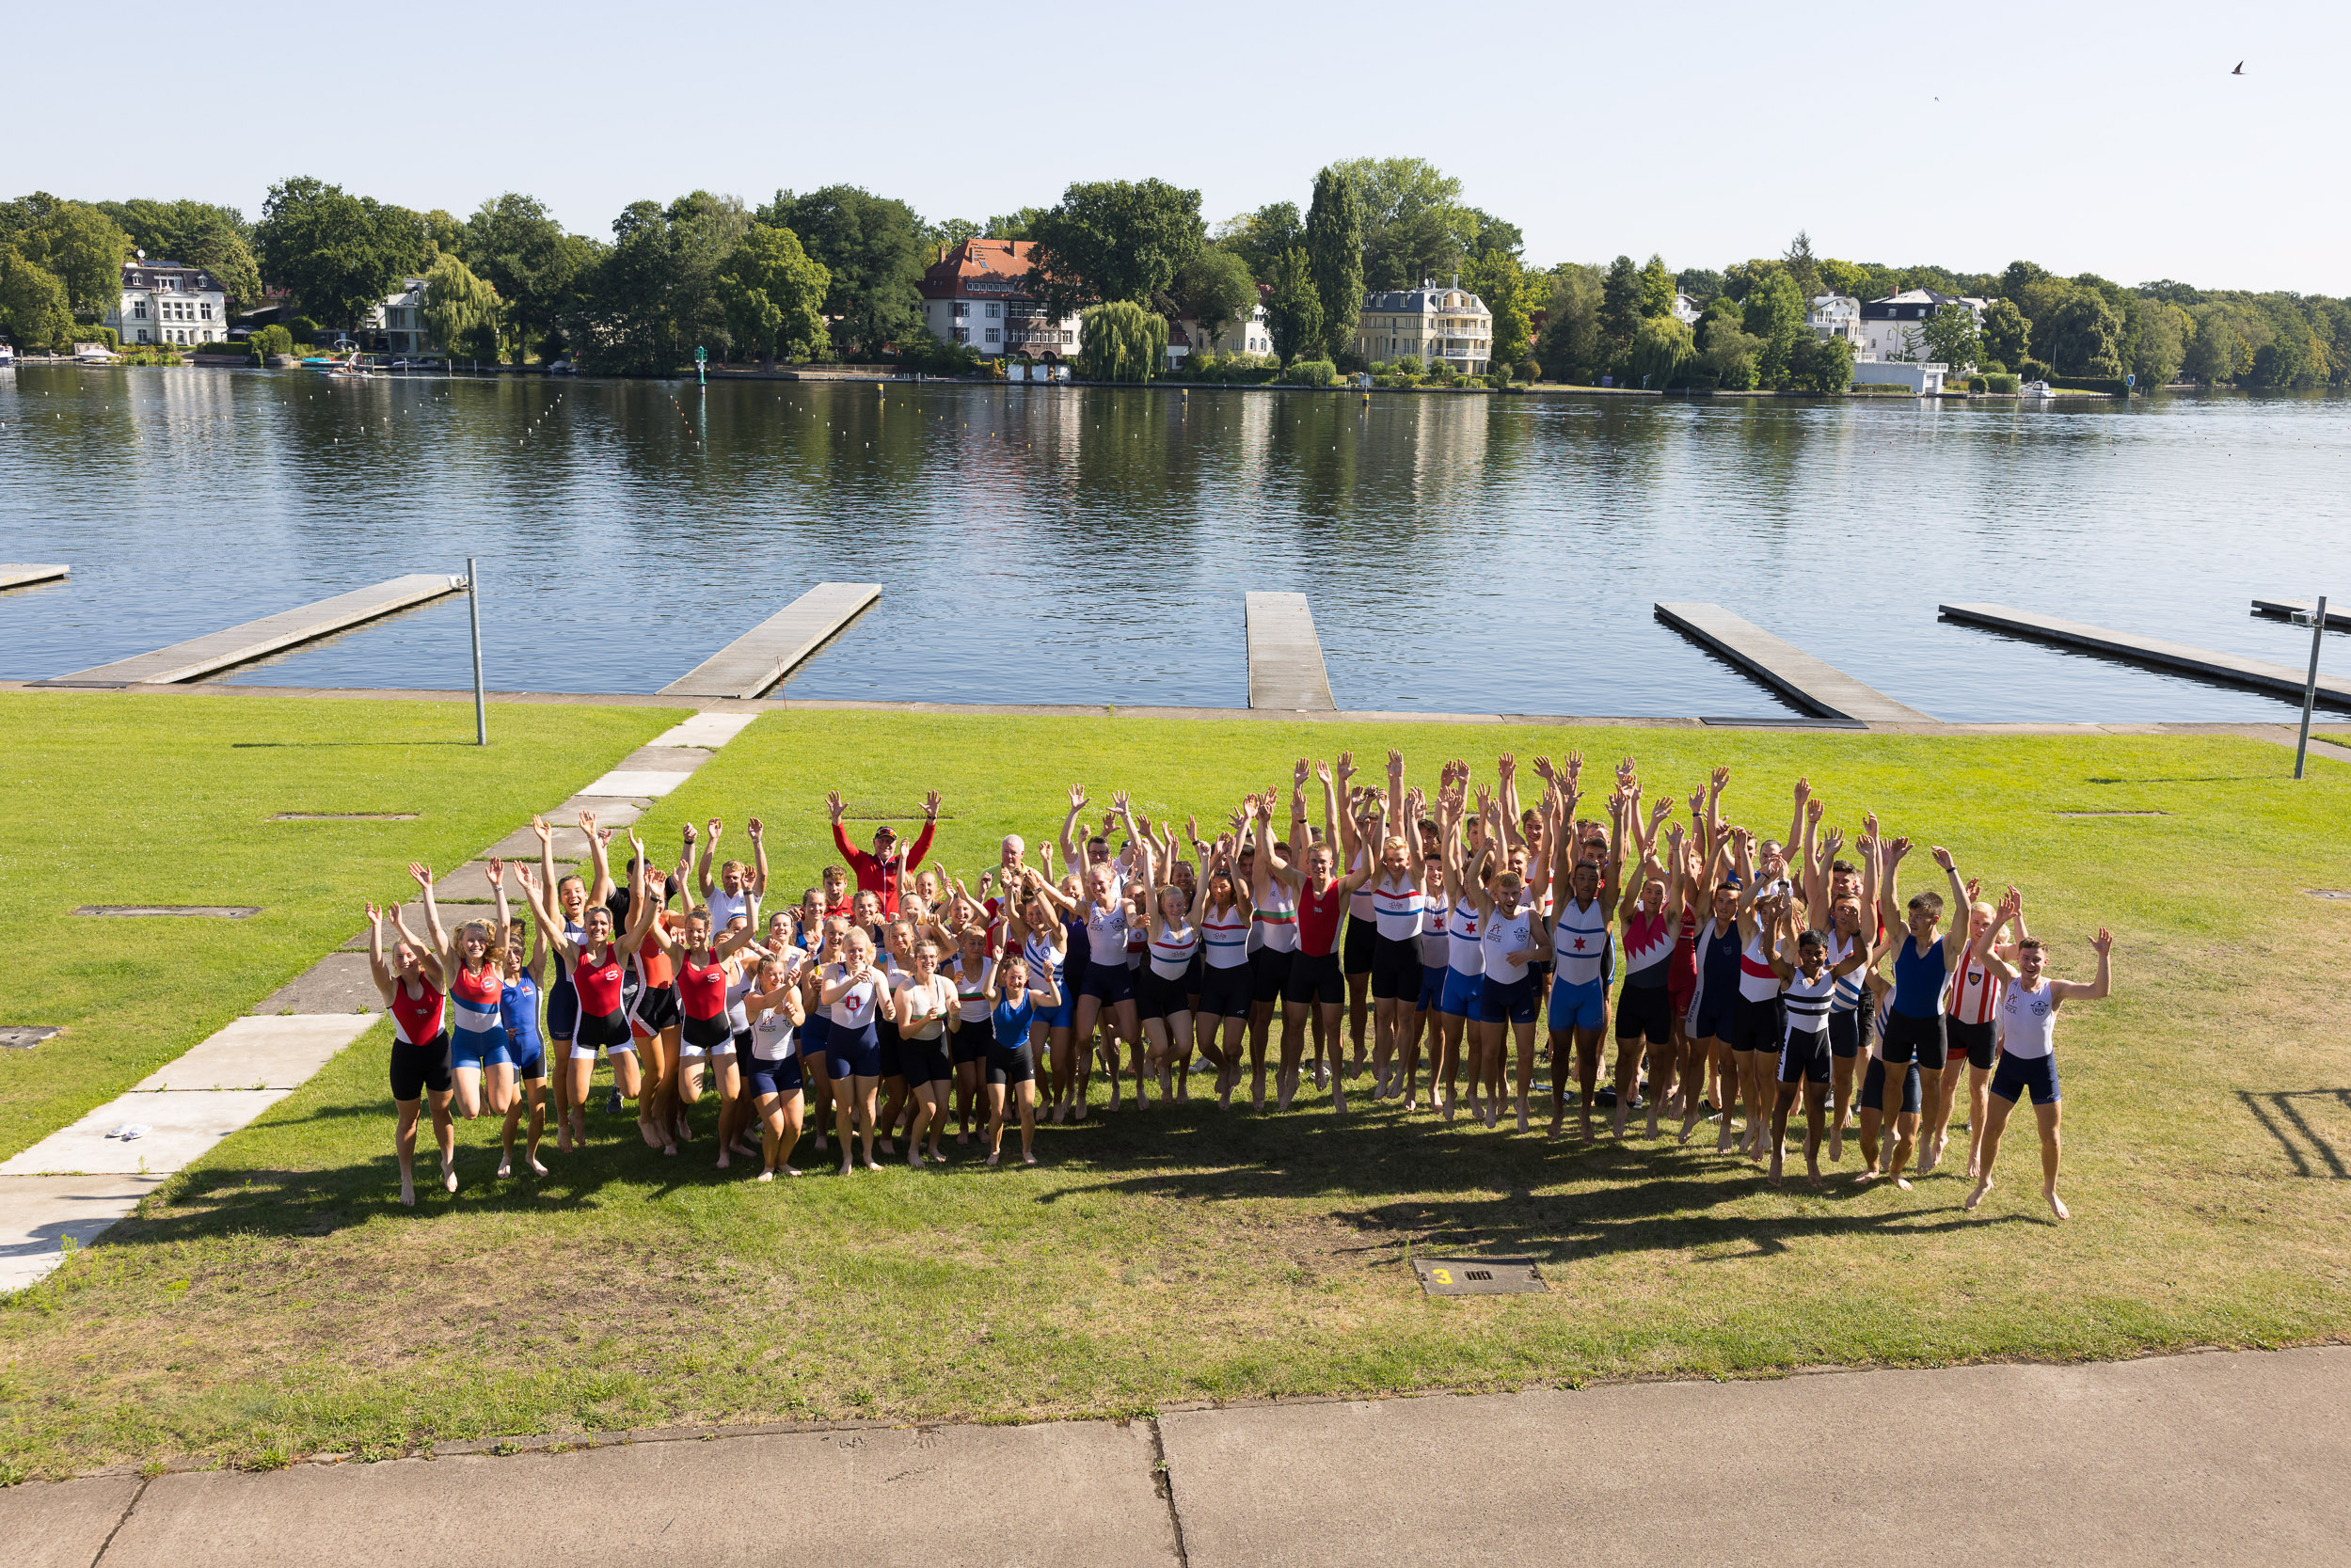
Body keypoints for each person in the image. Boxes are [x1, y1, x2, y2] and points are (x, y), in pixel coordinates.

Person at [1965, 894, 2112, 1220]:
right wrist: (2001, 920)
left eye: (2036, 959)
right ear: (2018, 958)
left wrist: (2104, 957)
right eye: (2026, 957)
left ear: (2045, 962)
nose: (2030, 963)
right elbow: (1982, 952)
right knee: (1992, 1129)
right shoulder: (2009, 980)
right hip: (2011, 1067)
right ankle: (1985, 1181)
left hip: (2041, 1069)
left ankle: (2050, 1190)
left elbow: (2099, 991)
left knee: (2050, 1136)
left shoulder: (2054, 989)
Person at [514, 855, 659, 1154]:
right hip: (587, 1030)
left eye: (603, 923)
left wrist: (654, 899)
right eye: (593, 923)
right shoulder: (572, 952)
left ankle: (643, 1118)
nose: (597, 927)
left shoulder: (619, 949)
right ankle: (570, 1121)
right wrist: (530, 890)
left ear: (609, 927)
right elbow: (545, 923)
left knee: (632, 1091)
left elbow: (643, 927)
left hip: (618, 1029)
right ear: (586, 927)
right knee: (578, 1097)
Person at [1268, 762, 1375, 1115]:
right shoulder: (1299, 883)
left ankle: (1339, 1087)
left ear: (1332, 863)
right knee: (1294, 1026)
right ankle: (1290, 1080)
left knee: (1332, 1029)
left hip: (1329, 967)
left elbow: (1368, 871)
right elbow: (1271, 860)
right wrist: (1269, 821)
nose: (1318, 865)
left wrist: (1330, 786)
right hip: (1301, 965)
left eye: (1323, 861)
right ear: (1307, 862)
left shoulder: (1341, 889)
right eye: (1312, 860)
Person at [1871, 838, 1972, 1190]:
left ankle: (1927, 1140)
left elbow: (1966, 914)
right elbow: (1888, 904)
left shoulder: (1949, 948)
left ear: (1934, 919)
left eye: (1918, 917)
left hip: (1932, 1025)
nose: (1911, 921)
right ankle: (1890, 1133)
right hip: (1899, 1023)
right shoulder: (1899, 939)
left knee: (1933, 1086)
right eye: (1910, 916)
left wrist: (1951, 870)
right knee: (1892, 1081)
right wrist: (1892, 864)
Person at [367, 899, 455, 1205]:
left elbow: (428, 954)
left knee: (440, 1110)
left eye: (408, 955)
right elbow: (376, 964)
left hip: (439, 1052)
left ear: (416, 959)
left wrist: (400, 927)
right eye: (398, 957)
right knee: (408, 1120)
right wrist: (378, 927)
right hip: (406, 1057)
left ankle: (448, 1163)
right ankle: (407, 1178)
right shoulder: (391, 989)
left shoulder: (436, 978)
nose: (404, 960)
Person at [1468, 787, 1544, 1132]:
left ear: (1521, 892)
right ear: (1495, 893)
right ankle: (1495, 1097)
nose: (1511, 899)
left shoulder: (1530, 916)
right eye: (1505, 893)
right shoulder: (1487, 911)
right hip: (1494, 991)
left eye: (1516, 893)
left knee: (1525, 1054)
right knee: (1489, 1053)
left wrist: (1529, 953)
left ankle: (1522, 1102)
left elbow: (1550, 951)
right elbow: (1470, 881)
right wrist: (1484, 851)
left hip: (1521, 991)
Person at [1765, 898, 1842, 1189]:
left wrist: (1856, 931)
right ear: (1799, 953)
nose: (1811, 959)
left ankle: (1812, 1159)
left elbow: (1861, 957)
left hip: (1821, 1047)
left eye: (1817, 954)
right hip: (1793, 1043)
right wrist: (1772, 920)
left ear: (1826, 954)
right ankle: (1776, 1155)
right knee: (1783, 1100)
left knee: (1817, 1104)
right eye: (1806, 953)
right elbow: (1768, 951)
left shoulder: (1832, 975)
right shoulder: (1789, 974)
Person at [818, 926, 894, 1174]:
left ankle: (868, 1154)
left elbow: (885, 1003)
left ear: (868, 951)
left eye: (860, 950)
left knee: (868, 1104)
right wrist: (851, 981)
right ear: (843, 951)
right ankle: (847, 1156)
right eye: (851, 950)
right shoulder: (833, 970)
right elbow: (827, 998)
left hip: (866, 1045)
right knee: (845, 1106)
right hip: (839, 1046)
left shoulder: (875, 975)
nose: (856, 955)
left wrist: (890, 1009)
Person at [1190, 835, 1254, 1110]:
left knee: (1231, 1047)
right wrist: (1212, 858)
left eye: (1222, 886)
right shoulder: (1206, 910)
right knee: (1204, 1044)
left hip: (1240, 980)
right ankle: (1224, 1069)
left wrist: (1230, 859)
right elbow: (1200, 888)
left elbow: (1245, 892)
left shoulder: (1243, 911)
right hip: (1213, 980)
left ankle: (1232, 1066)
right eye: (1214, 886)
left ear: (1231, 888)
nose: (1217, 890)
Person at [982, 951, 1061, 1167]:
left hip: (1022, 1055)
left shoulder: (1032, 995)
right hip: (998, 1055)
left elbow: (1056, 1000)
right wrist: (996, 963)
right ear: (1004, 977)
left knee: (1027, 1108)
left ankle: (1027, 1151)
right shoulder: (998, 995)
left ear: (1026, 978)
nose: (1015, 981)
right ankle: (995, 1150)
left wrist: (1049, 978)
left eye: (1019, 978)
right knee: (997, 1110)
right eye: (1011, 977)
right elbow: (985, 991)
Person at [739, 953, 808, 1180]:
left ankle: (783, 1162)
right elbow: (768, 1002)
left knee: (795, 1126)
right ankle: (768, 1166)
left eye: (781, 973)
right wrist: (787, 985)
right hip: (761, 1069)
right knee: (776, 1127)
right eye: (772, 975)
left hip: (788, 1065)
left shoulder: (793, 992)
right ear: (761, 976)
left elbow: (801, 1020)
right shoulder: (751, 998)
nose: (778, 978)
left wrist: (792, 1013)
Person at [892, 937, 957, 1166]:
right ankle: (912, 1150)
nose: (928, 961)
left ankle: (933, 1146)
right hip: (912, 1049)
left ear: (937, 960)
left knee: (942, 1106)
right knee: (928, 1107)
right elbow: (904, 1032)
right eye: (923, 958)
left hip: (937, 1047)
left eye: (932, 957)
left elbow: (955, 1028)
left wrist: (955, 1014)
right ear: (915, 960)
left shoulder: (946, 985)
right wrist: (926, 1019)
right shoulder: (906, 989)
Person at [828, 788, 938, 917]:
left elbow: (923, 845)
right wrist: (836, 819)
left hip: (897, 924)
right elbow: (844, 845)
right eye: (882, 841)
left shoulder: (903, 862)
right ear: (874, 842)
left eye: (889, 841)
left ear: (895, 844)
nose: (885, 844)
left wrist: (931, 818)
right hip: (870, 923)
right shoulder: (863, 862)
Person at [497, 925, 549, 1179]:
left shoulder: (534, 974)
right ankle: (507, 1155)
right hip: (507, 1055)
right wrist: (499, 1030)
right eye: (507, 952)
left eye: (517, 951)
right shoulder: (496, 983)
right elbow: (483, 1018)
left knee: (538, 1111)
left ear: (523, 951)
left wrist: (536, 903)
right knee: (515, 1113)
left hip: (534, 1051)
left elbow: (543, 938)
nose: (512, 957)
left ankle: (531, 1155)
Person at [695, 816, 768, 929]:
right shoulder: (715, 897)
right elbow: (703, 874)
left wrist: (757, 840)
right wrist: (713, 839)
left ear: (743, 878)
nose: (731, 881)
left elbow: (762, 876)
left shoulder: (751, 896)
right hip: (718, 946)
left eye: (735, 878)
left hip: (746, 947)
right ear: (722, 879)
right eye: (727, 877)